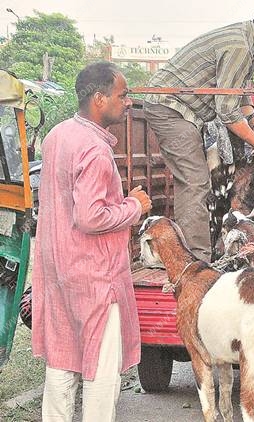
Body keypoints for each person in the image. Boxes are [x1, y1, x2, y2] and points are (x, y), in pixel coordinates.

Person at [32, 62, 152, 421]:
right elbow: (90, 217)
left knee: (62, 363)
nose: (128, 102)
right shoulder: (96, 151)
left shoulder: (57, 135)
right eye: (123, 95)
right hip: (95, 278)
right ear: (100, 99)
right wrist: (134, 206)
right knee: (101, 371)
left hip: (59, 273)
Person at [143, 3, 254, 261]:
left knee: (198, 182)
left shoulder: (250, 48)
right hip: (170, 106)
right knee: (195, 182)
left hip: (189, 112)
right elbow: (227, 112)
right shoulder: (239, 46)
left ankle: (195, 255)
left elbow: (239, 93)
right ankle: (195, 262)